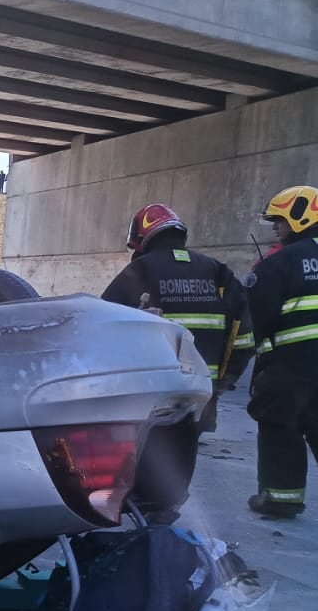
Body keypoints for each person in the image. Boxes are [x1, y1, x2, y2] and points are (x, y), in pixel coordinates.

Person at [101, 204, 252, 521]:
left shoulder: (141, 270)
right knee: (185, 441)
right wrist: (225, 379)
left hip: (152, 387)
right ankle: (167, 504)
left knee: (144, 444)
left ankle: (143, 504)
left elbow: (104, 323)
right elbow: (243, 335)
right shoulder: (217, 271)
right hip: (201, 387)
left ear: (143, 239)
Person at [244, 185, 318, 518]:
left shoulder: (280, 262)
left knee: (280, 424)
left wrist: (261, 362)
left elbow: (258, 319)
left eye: (280, 220)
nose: (275, 228)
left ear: (301, 218)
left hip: (291, 366)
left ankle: (281, 499)